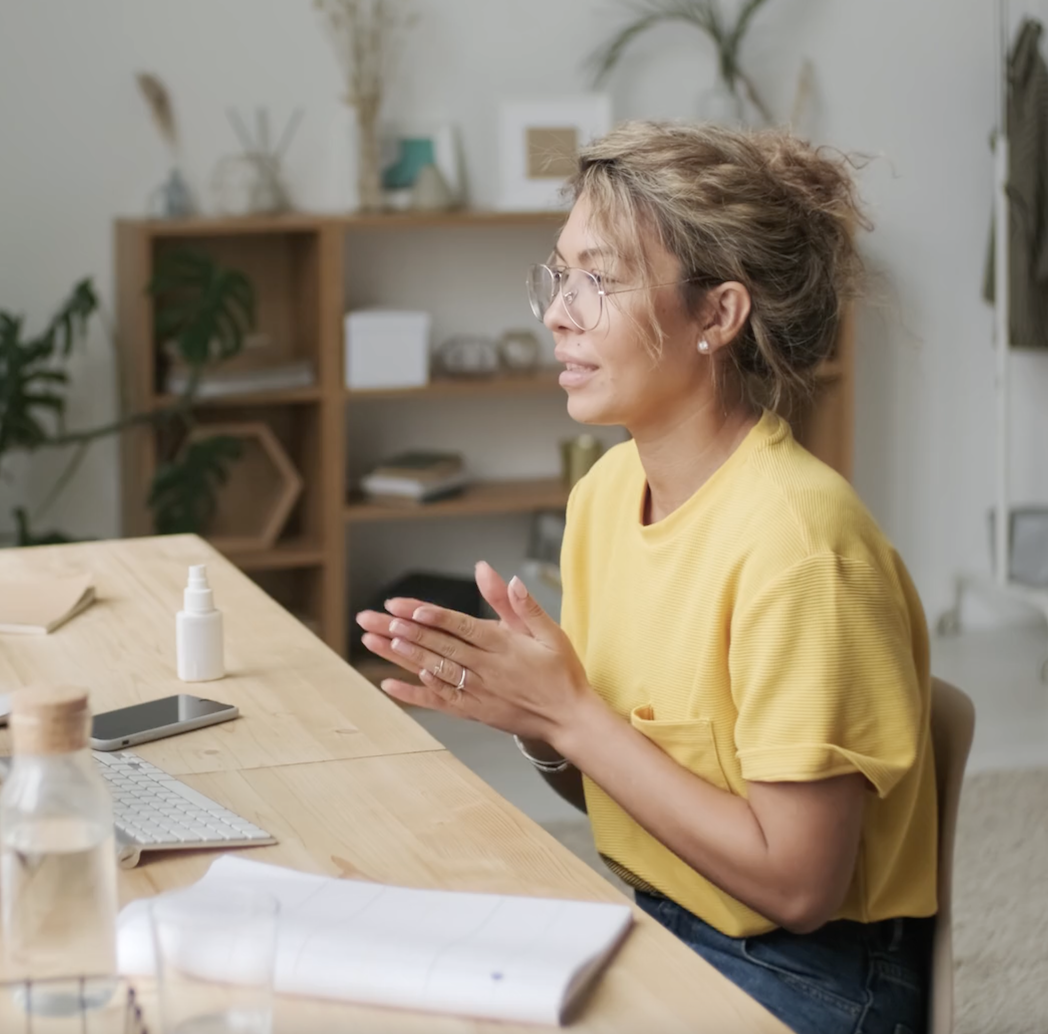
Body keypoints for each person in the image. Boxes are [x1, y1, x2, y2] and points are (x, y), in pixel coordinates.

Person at [355, 121, 936, 1034]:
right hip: (654, 916)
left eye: (601, 279)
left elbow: (799, 886)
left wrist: (572, 714)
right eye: (559, 275)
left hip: (810, 978)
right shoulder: (604, 496)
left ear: (718, 315)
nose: (557, 312)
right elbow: (621, 783)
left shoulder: (800, 547)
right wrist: (541, 723)